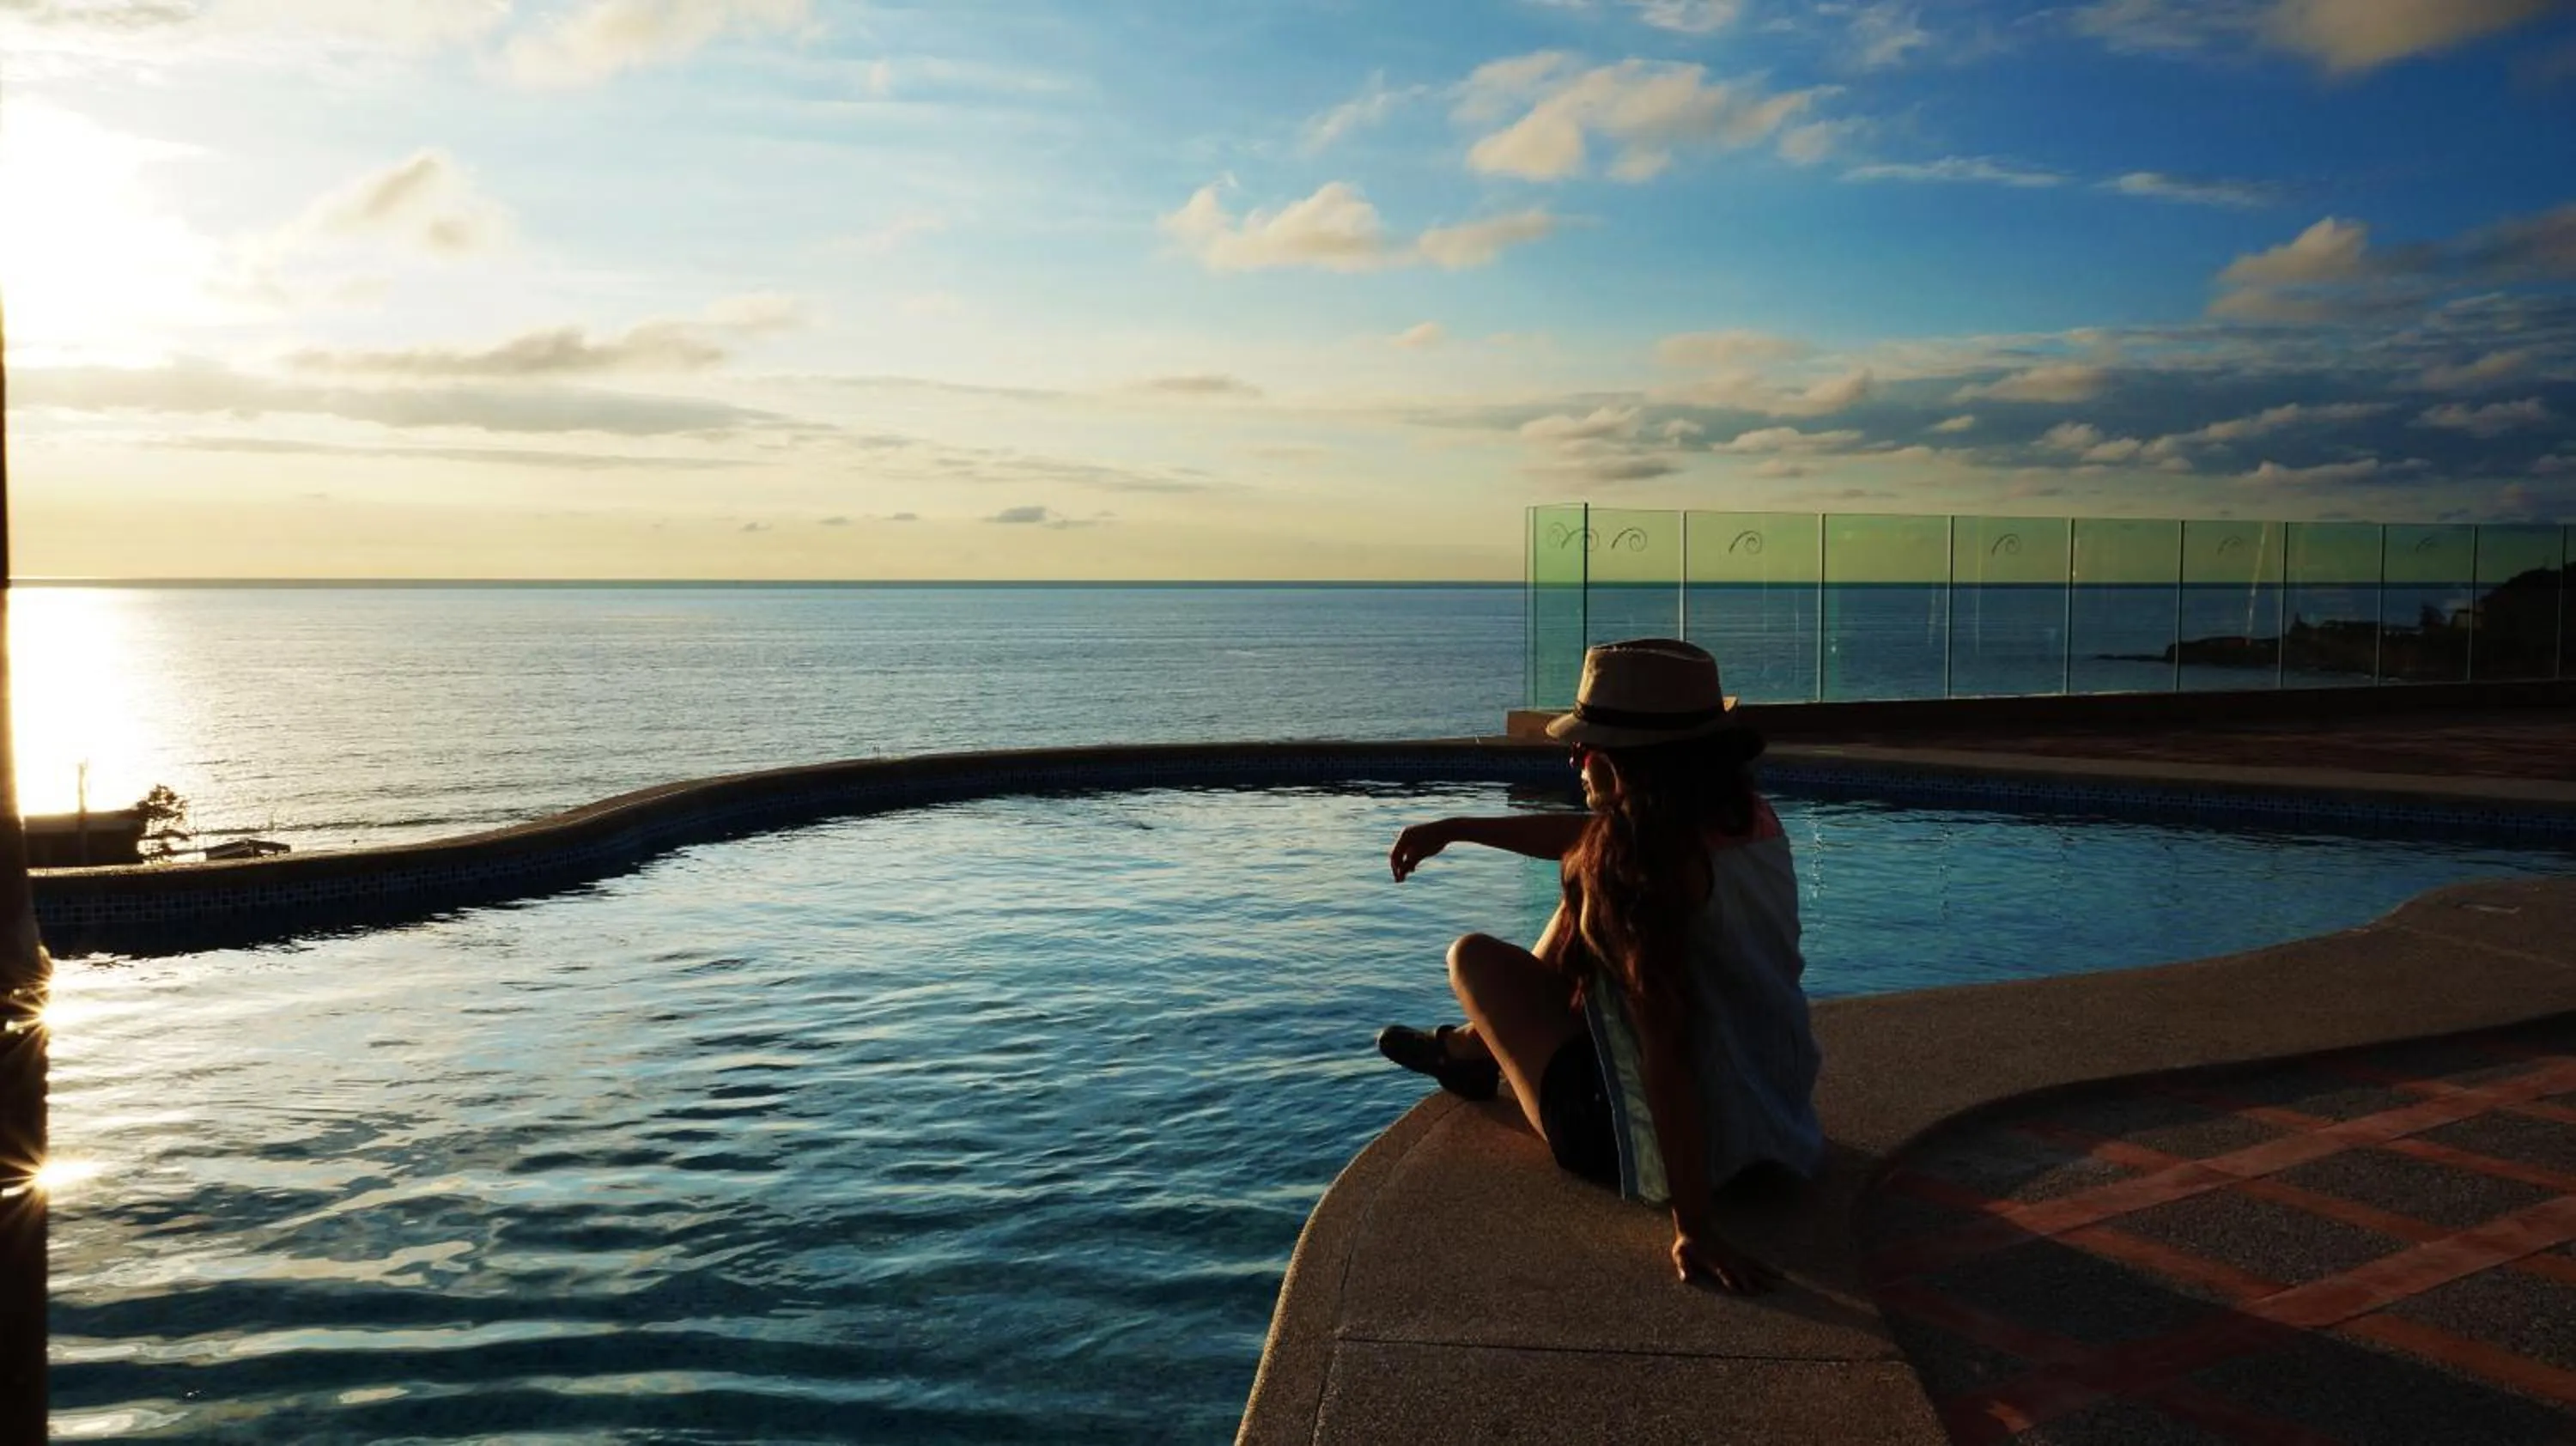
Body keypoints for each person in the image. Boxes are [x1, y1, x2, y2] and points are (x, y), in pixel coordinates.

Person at [1377, 637, 1822, 1295]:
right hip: (1776, 1123)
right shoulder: (1750, 821)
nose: (1574, 760)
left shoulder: (1633, 878)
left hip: (1631, 1138)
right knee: (1582, 875)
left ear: (1615, 769)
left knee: (1471, 958)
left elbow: (1663, 1054)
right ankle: (1470, 1052)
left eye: (1583, 750)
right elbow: (1585, 843)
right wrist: (1460, 826)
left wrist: (1693, 1225)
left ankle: (1473, 1054)